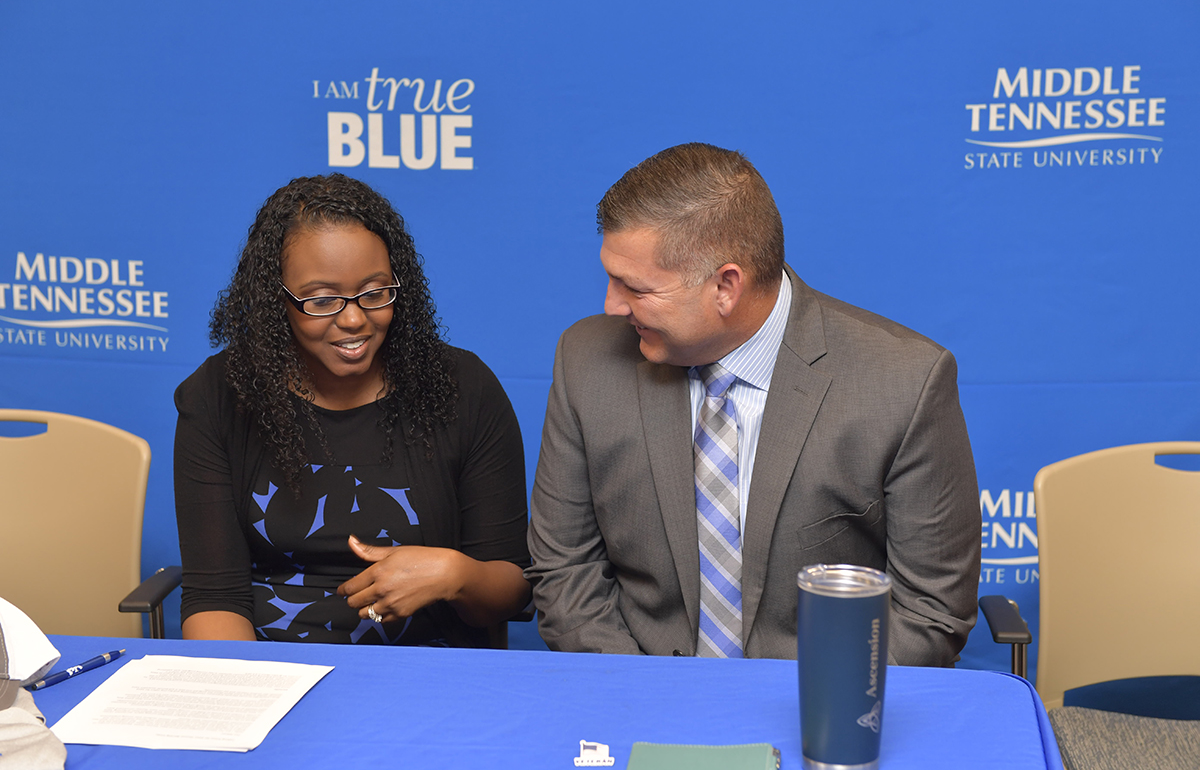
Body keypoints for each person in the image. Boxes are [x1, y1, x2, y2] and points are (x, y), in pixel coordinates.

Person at [526, 143, 981, 665]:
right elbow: (566, 571)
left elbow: (929, 611)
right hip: (637, 689)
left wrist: (819, 700)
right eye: (610, 278)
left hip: (821, 696)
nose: (611, 306)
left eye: (636, 288)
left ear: (726, 286)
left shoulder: (903, 383)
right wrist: (646, 694)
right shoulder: (587, 361)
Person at [174, 174, 530, 647]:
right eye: (322, 300)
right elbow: (214, 598)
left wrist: (454, 574)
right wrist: (249, 685)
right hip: (270, 666)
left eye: (375, 292)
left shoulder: (463, 388)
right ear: (277, 300)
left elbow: (512, 589)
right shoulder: (220, 394)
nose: (354, 319)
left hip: (429, 671)